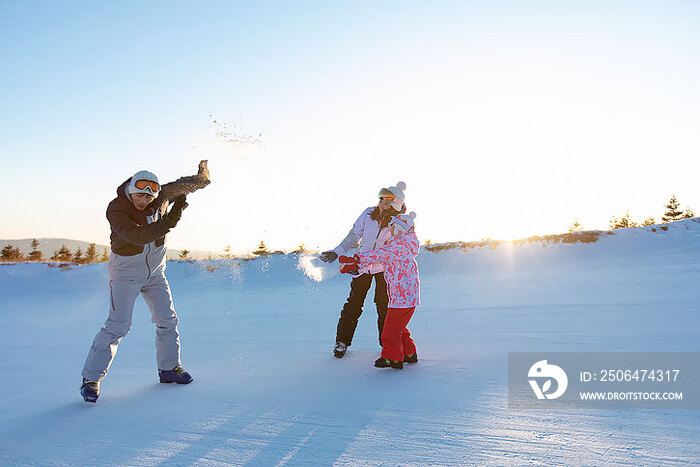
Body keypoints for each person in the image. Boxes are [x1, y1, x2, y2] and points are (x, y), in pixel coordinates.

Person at [80, 162, 210, 403]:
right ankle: (91, 379)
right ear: (130, 190)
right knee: (117, 326)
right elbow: (136, 235)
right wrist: (169, 221)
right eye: (139, 194)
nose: (144, 200)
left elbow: (184, 185)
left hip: (155, 274)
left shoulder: (160, 197)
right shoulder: (117, 209)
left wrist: (202, 179)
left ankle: (170, 369)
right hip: (125, 274)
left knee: (167, 320)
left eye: (149, 196)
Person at [320, 182, 407, 358]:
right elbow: (354, 235)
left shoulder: (400, 223)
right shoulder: (368, 213)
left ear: (395, 205)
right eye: (382, 196)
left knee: (384, 306)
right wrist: (338, 252)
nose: (382, 201)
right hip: (362, 265)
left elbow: (397, 248)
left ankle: (387, 346)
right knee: (353, 304)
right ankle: (342, 341)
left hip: (384, 268)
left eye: (387, 199)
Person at [338, 211, 420, 370]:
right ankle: (410, 354)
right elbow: (380, 260)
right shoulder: (403, 243)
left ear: (401, 229)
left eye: (394, 227)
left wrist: (357, 259)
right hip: (404, 297)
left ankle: (393, 358)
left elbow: (380, 255)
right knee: (399, 328)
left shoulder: (400, 246)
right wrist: (356, 265)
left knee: (390, 331)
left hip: (402, 298)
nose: (391, 229)